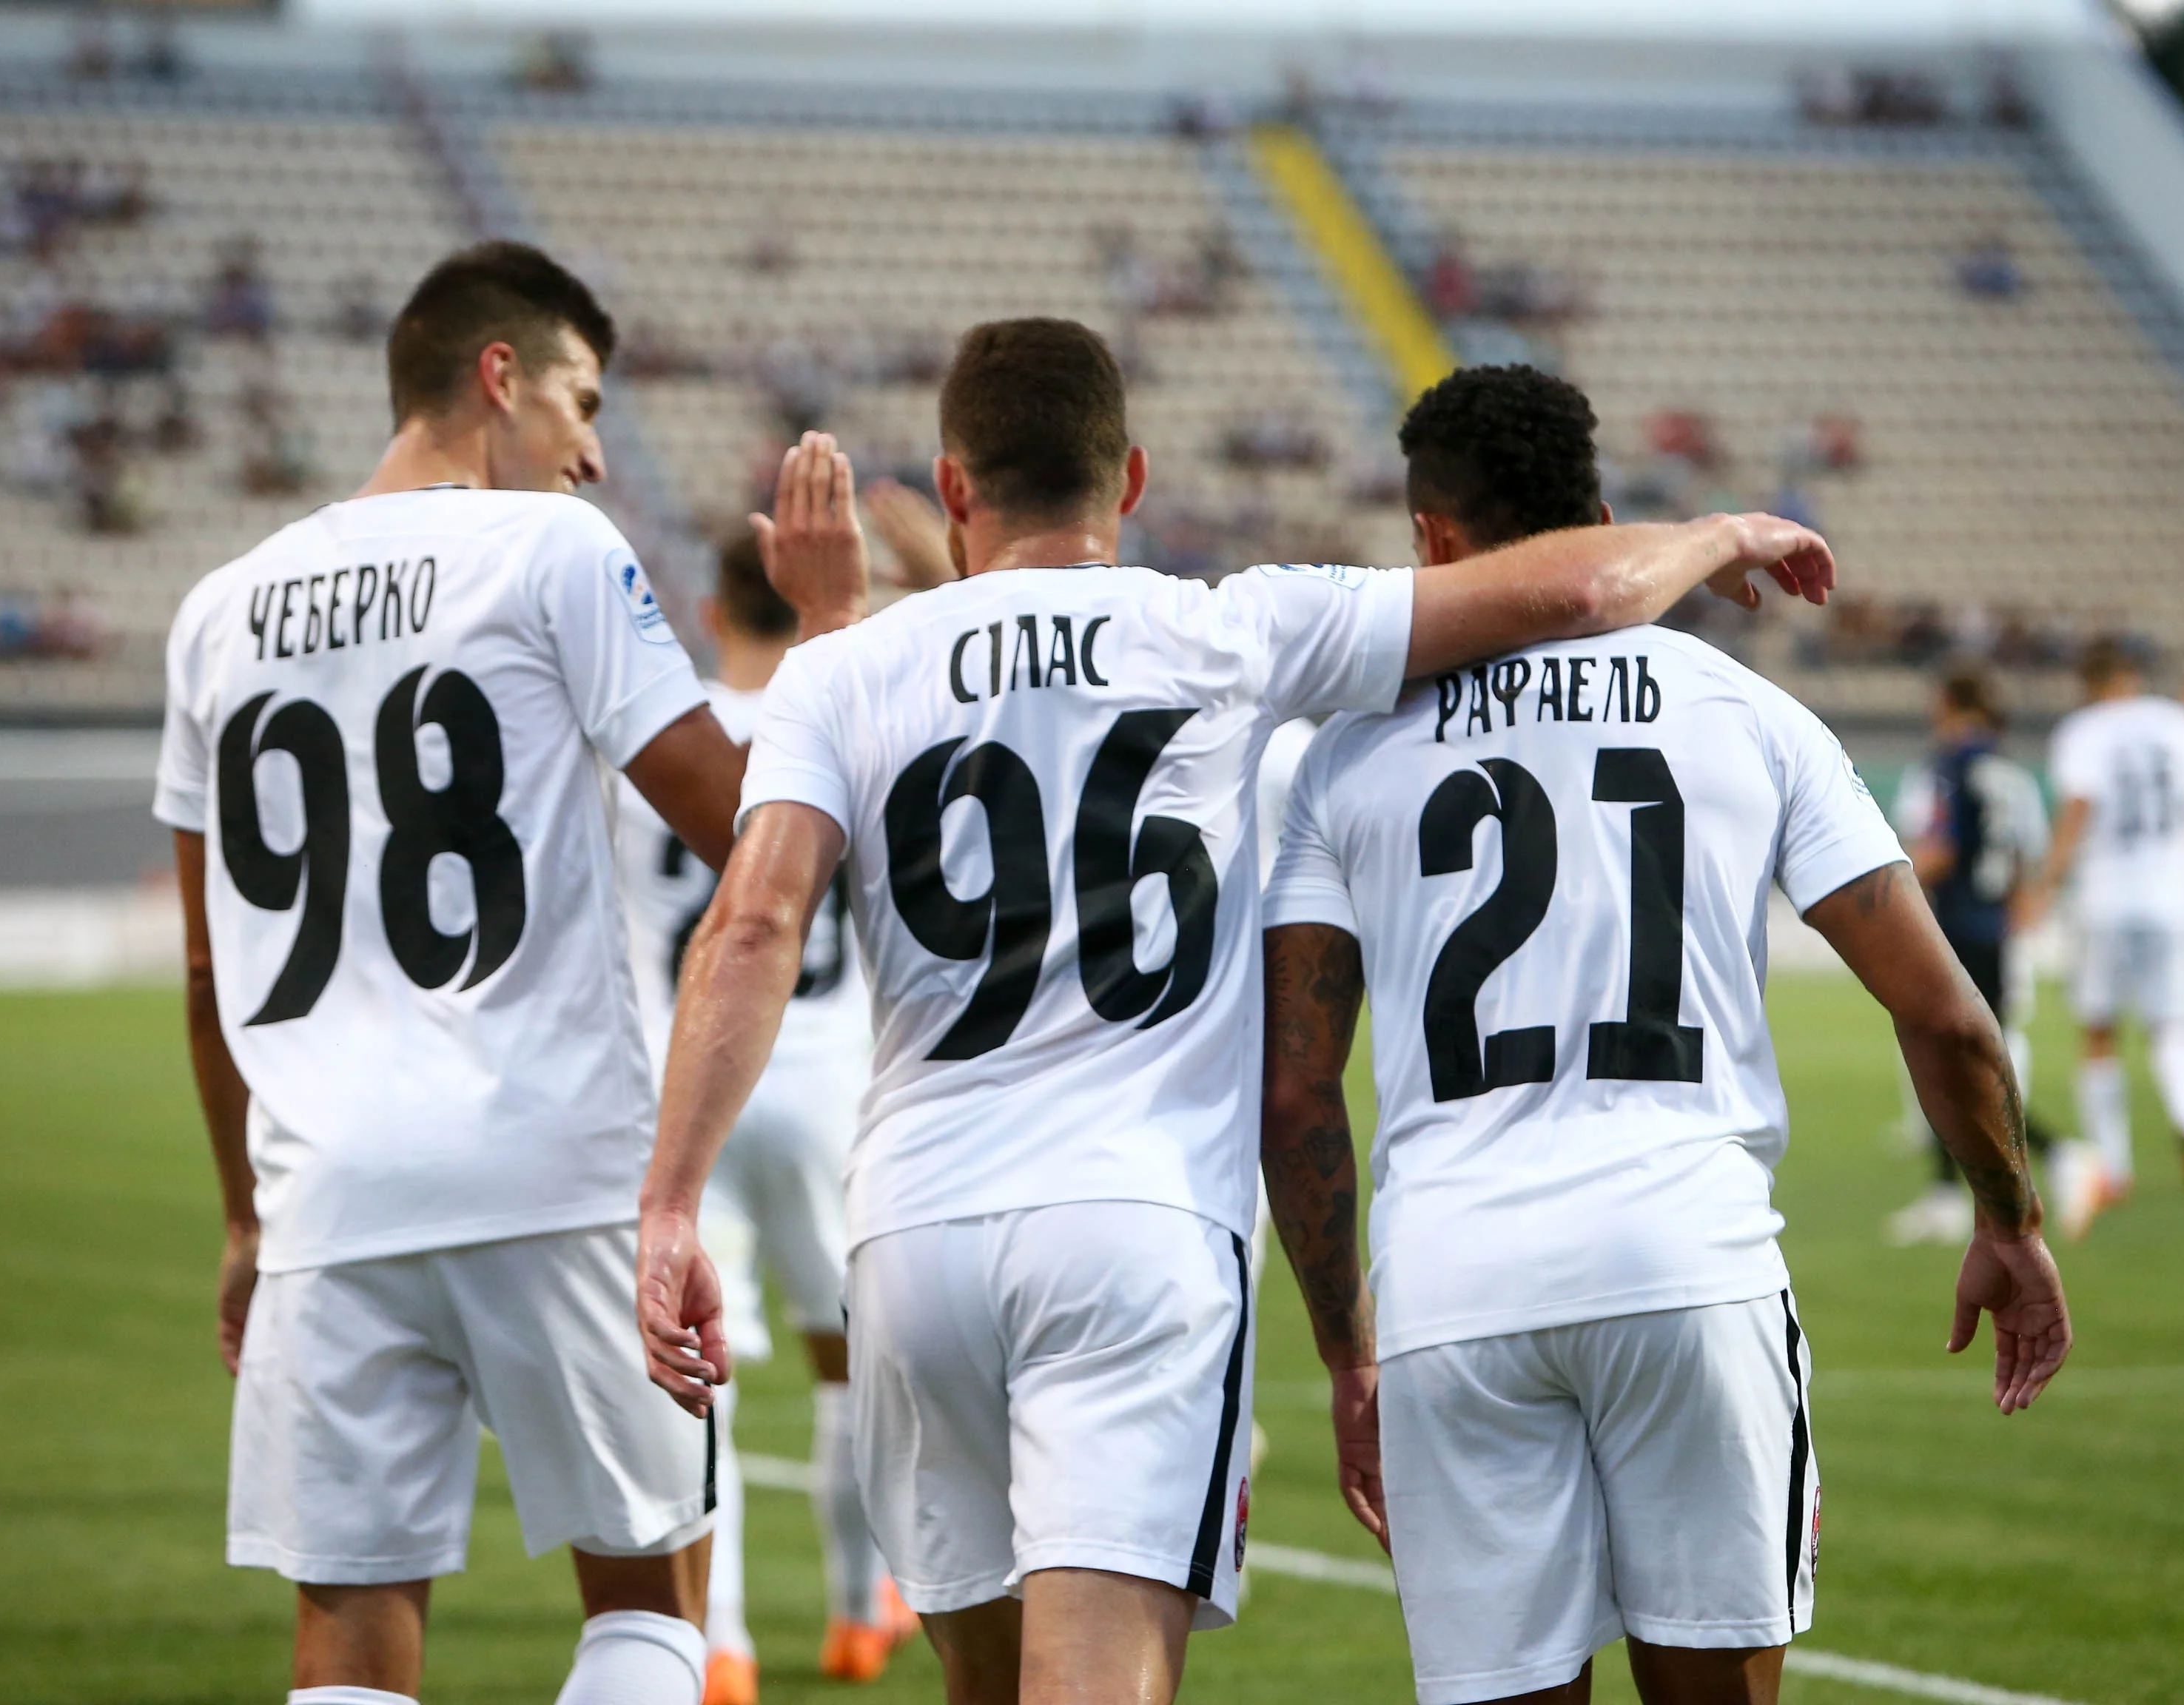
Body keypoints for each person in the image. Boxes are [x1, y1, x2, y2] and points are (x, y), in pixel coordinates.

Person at [631, 319, 1838, 1705]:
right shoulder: (1225, 626)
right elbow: (1575, 590)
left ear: (956, 485)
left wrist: (670, 1203)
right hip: (1134, 1222)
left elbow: (755, 922)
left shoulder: (840, 670)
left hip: (913, 1232)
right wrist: (1718, 531)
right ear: (1132, 477)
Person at [1259, 363, 2070, 1705]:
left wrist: (1348, 1352)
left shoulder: (1342, 757)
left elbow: (1297, 1095)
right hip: (1687, 1259)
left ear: (1432, 540)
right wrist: (2010, 1218)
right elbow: (1946, 1015)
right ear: (1600, 515)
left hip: (1453, 1280)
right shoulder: (1745, 711)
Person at [153, 241, 862, 1705]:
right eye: (580, 401)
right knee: (653, 1601)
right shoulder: (553, 551)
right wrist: (836, 640)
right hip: (549, 1162)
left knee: (348, 1635)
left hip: (323, 1191)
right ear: (499, 377)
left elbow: (208, 966)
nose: (593, 452)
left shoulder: (217, 609)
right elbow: (742, 824)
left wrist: (241, 1214)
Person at [612, 531, 914, 1705]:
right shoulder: (849, 716)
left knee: (697, 1377)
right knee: (855, 1367)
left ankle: (720, 1644)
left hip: (684, 1083)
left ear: (709, 609)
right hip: (825, 1077)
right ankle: (859, 1613)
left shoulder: (653, 737)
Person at [2015, 639, 2184, 1239]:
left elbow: (2079, 808)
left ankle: (2114, 1168)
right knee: (2172, 1026)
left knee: (2099, 1030)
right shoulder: (2179, 724)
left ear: (2090, 682)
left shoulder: (2084, 732)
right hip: (2174, 897)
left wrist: (2045, 887)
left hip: (2107, 896)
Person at [1885, 665, 2049, 1245]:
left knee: (1946, 1058)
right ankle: (1966, 1189)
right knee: (1980, 1053)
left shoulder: (1947, 766)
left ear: (1951, 704)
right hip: (1995, 930)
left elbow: (1940, 848)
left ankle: (2035, 1163)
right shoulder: (2012, 772)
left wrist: (1888, 891)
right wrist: (2020, 909)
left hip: (1952, 925)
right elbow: (2026, 855)